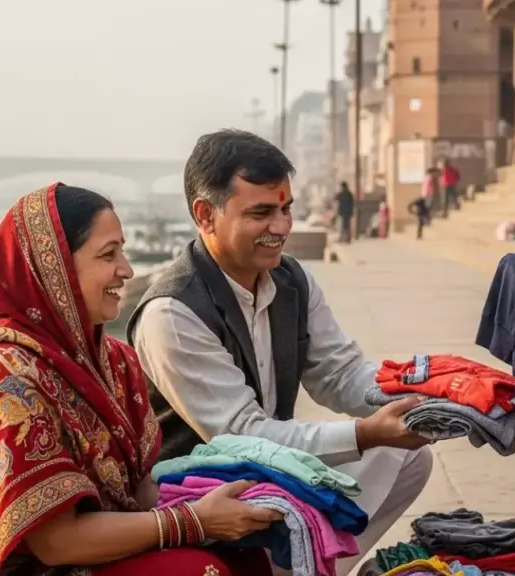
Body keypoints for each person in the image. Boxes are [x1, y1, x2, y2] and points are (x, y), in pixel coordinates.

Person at [0, 184, 280, 575]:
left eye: (123, 251)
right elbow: (56, 543)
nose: (127, 270)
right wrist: (193, 520)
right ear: (55, 270)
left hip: (101, 547)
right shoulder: (3, 379)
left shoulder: (114, 361)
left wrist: (237, 502)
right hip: (32, 566)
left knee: (248, 554)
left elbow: (138, 491)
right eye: (108, 255)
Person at [127, 130, 434, 574]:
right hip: (204, 494)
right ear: (205, 215)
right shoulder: (173, 313)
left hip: (272, 467)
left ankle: (307, 567)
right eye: (261, 213)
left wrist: (426, 395)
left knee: (408, 456)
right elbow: (244, 435)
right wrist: (366, 433)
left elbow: (340, 373)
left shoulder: (292, 281)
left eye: (286, 209)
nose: (282, 227)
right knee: (376, 445)